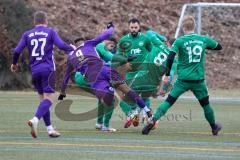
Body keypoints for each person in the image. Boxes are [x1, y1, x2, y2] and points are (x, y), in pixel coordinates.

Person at [58, 23, 152, 129]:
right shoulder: (95, 44)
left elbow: (66, 77)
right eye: (111, 44)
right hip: (98, 73)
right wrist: (110, 27)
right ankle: (139, 111)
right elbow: (110, 54)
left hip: (92, 77)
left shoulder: (71, 58)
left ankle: (101, 122)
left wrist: (62, 92)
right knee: (119, 93)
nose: (112, 46)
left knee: (108, 97)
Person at [142, 16, 222, 135]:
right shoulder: (203, 39)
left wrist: (168, 74)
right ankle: (214, 127)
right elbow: (219, 47)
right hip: (198, 80)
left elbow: (170, 57)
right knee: (205, 104)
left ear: (184, 28)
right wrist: (205, 46)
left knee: (169, 101)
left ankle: (152, 120)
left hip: (183, 80)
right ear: (194, 26)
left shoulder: (179, 41)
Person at [10, 11, 75, 138]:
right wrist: (71, 48)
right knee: (50, 98)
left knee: (43, 100)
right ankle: (35, 120)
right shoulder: (50, 32)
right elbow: (61, 45)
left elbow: (17, 50)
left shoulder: (27, 34)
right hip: (48, 70)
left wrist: (14, 63)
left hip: (35, 71)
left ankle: (50, 129)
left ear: (34, 22)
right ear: (46, 21)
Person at [121, 30, 176, 128]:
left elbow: (150, 32)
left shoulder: (159, 44)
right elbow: (168, 77)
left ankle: (133, 113)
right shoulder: (174, 61)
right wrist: (163, 89)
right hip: (153, 84)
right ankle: (152, 119)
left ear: (167, 43)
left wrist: (162, 38)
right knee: (144, 100)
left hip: (141, 76)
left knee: (125, 98)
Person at [117, 18, 153, 127]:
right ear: (129, 28)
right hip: (130, 72)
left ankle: (146, 117)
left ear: (139, 27)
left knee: (141, 93)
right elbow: (119, 56)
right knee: (129, 96)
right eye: (132, 27)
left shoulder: (145, 39)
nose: (133, 29)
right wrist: (125, 60)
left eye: (135, 27)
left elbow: (152, 51)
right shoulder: (123, 40)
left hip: (143, 71)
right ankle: (139, 115)